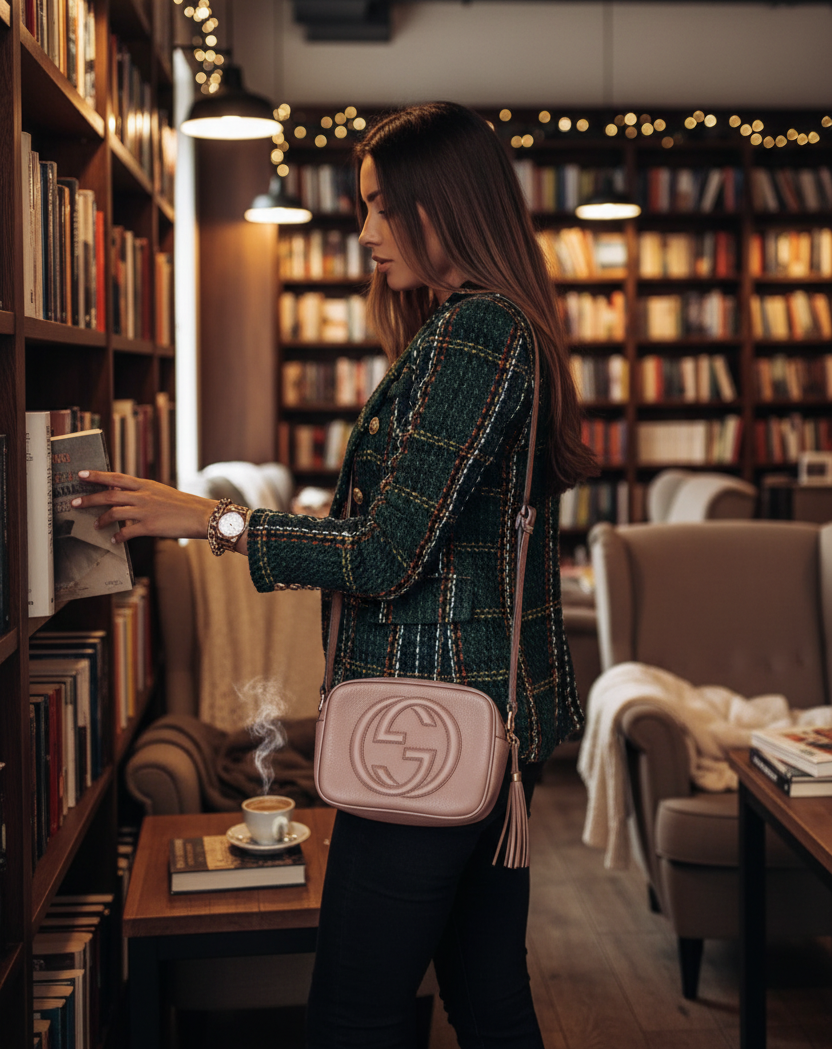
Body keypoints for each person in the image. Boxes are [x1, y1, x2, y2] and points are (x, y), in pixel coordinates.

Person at [74, 102, 597, 1047]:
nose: (364, 235)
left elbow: (385, 553)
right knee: (486, 998)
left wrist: (213, 522)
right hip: (474, 724)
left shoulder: (475, 335)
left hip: (427, 731)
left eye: (383, 209)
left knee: (353, 1014)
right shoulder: (485, 329)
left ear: (449, 204)